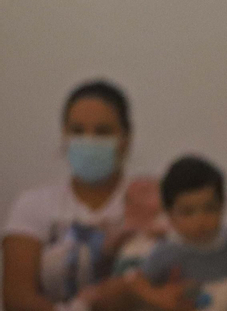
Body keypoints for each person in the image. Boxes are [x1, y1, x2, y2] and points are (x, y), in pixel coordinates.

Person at [3, 80, 148, 311]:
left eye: (102, 132)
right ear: (64, 136)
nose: (88, 141)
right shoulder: (33, 205)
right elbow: (17, 299)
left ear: (125, 138)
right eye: (78, 131)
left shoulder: (150, 202)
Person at [128, 156, 227, 311]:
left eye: (210, 208)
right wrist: (160, 298)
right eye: (188, 212)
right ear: (170, 215)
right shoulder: (167, 252)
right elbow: (137, 283)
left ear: (223, 205)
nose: (200, 221)